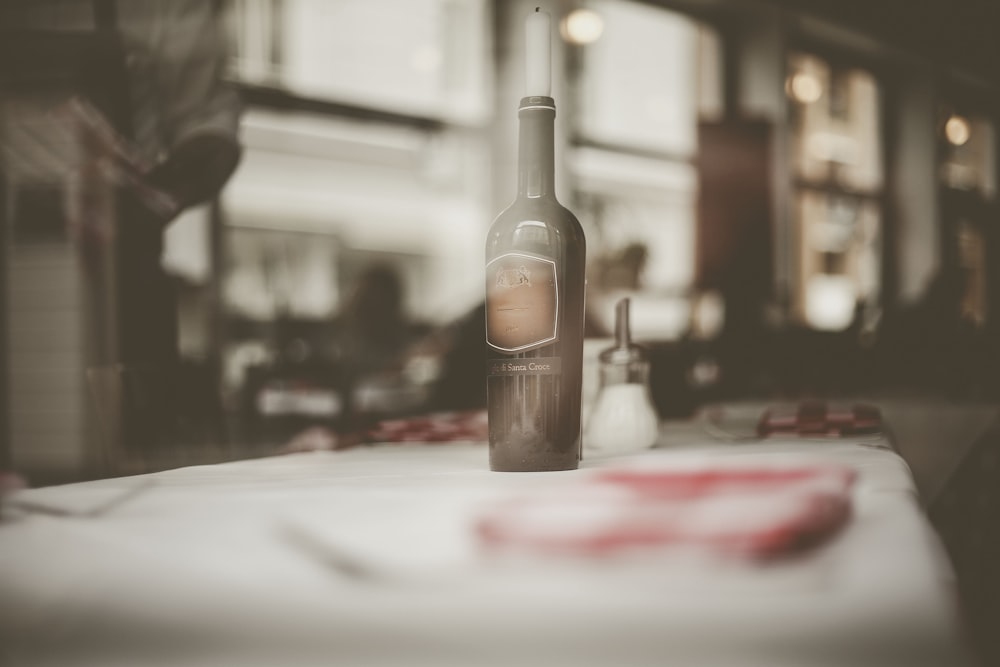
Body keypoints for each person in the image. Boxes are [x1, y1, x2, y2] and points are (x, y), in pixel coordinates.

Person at [0, 0, 242, 456]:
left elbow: (208, 123)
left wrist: (145, 198)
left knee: (120, 467)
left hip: (118, 273)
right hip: (18, 274)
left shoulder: (168, 8)